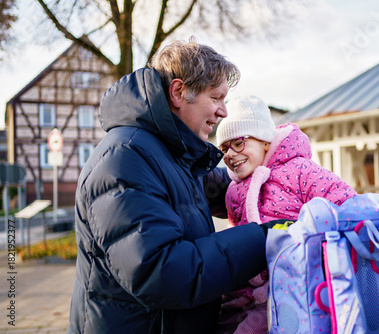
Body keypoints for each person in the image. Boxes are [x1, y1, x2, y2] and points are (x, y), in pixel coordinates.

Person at [67, 38, 277, 334]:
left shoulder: (172, 155)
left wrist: (284, 175)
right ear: (179, 92)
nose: (223, 112)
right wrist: (265, 238)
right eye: (216, 98)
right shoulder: (125, 159)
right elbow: (163, 272)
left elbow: (229, 188)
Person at [215, 95, 358, 333]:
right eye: (224, 148)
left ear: (265, 142)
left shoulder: (299, 170)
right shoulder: (234, 191)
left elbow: (344, 202)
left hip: (295, 285)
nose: (230, 153)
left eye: (238, 143)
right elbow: (236, 233)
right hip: (247, 292)